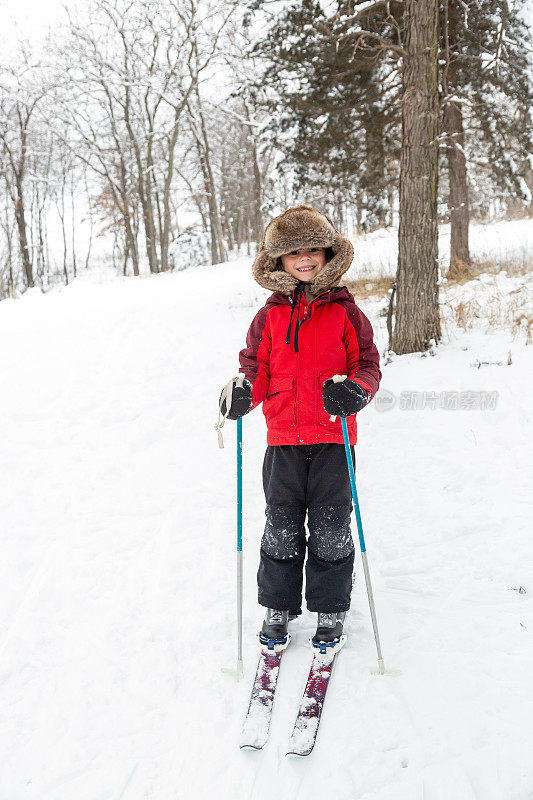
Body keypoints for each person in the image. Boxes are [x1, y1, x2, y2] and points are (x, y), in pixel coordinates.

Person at [220, 205, 381, 647]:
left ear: (329, 254)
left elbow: (367, 364)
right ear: (279, 262)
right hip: (283, 443)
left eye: (314, 249)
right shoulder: (268, 317)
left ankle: (330, 608)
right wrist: (244, 393)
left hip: (333, 440)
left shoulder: (347, 313)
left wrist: (356, 391)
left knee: (331, 526)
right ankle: (279, 605)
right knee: (282, 525)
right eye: (294, 253)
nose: (305, 259)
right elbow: (255, 367)